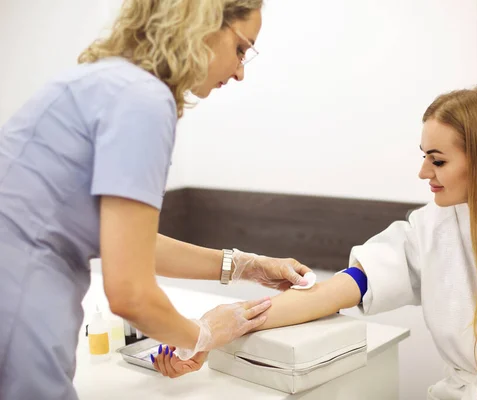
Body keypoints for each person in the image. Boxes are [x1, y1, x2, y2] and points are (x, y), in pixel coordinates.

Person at [155, 86, 477, 400]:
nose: (424, 174)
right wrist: (215, 327)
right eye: (423, 157)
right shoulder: (432, 228)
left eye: (438, 160)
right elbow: (342, 288)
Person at [0, 1, 313, 398]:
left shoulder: (109, 83)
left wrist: (246, 267)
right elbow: (130, 292)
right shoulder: (144, 101)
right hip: (18, 309)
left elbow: (131, 243)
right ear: (202, 21)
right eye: (240, 49)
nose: (239, 72)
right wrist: (202, 334)